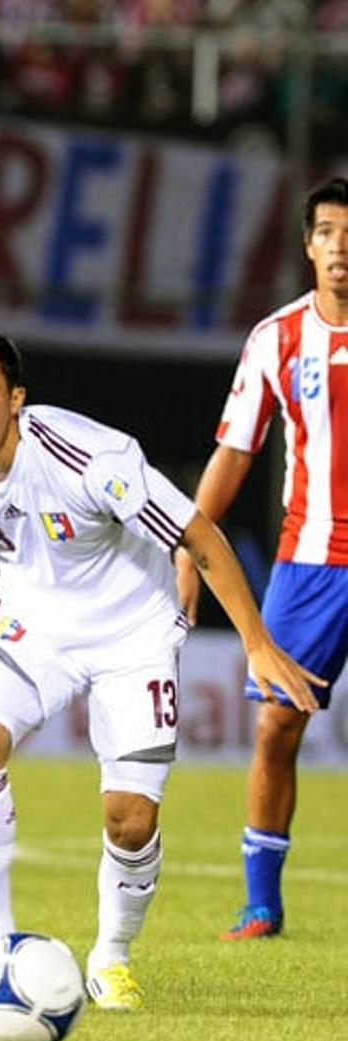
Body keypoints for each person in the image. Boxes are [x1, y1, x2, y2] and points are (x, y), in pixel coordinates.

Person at [0, 325, 319, 1012]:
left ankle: (112, 955)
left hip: (134, 631)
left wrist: (257, 641)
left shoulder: (91, 458)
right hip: (34, 622)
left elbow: (199, 536)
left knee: (130, 818)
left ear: (16, 399)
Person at [177, 176, 348, 942]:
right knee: (277, 727)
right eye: (328, 233)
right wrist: (191, 541)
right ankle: (260, 903)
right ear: (309, 245)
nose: (342, 249)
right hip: (311, 561)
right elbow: (235, 452)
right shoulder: (276, 338)